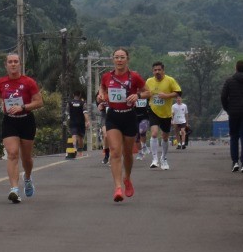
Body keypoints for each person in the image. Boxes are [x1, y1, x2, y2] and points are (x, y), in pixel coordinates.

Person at [0, 52, 44, 202]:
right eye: (10, 62)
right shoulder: (1, 82)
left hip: (26, 120)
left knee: (26, 157)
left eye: (15, 62)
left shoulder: (28, 82)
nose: (13, 64)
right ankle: (14, 189)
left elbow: (39, 102)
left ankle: (27, 177)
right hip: (10, 121)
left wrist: (23, 107)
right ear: (5, 65)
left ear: (20, 64)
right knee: (12, 153)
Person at [97, 48, 148, 203]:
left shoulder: (135, 77)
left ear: (127, 59)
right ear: (113, 59)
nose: (119, 60)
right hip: (113, 116)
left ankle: (127, 178)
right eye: (116, 57)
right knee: (115, 152)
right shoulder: (107, 76)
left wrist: (137, 95)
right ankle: (118, 188)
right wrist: (100, 95)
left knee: (127, 154)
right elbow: (102, 87)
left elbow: (148, 92)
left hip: (129, 116)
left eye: (122, 57)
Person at [145, 61, 183, 170]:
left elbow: (178, 93)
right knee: (154, 133)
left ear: (163, 70)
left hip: (166, 113)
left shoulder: (170, 80)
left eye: (159, 70)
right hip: (153, 111)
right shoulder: (149, 81)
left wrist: (166, 96)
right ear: (152, 71)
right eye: (155, 70)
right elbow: (145, 92)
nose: (157, 72)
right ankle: (154, 159)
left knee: (165, 137)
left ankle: (164, 158)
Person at [67, 93, 87, 157]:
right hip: (81, 122)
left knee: (74, 134)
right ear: (80, 96)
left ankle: (74, 147)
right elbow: (85, 112)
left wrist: (67, 120)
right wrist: (87, 121)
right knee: (80, 137)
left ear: (73, 95)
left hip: (72, 121)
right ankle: (80, 152)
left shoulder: (69, 102)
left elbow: (67, 112)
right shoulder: (83, 103)